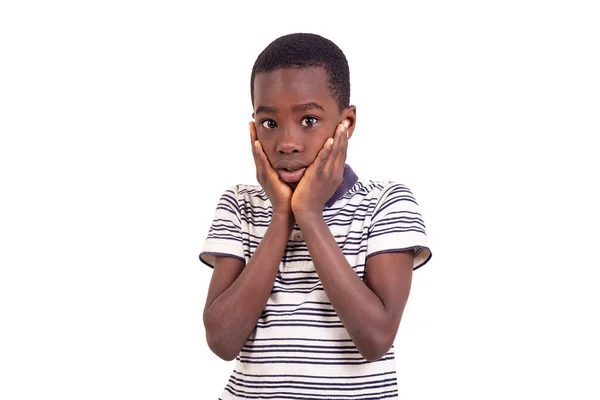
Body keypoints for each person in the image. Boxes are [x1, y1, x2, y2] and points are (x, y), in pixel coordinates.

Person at [199, 32, 432, 400]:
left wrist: (308, 213)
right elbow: (222, 340)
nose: (287, 142)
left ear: (347, 123)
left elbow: (376, 338)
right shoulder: (239, 205)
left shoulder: (386, 203)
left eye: (308, 120)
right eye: (270, 123)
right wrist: (280, 216)